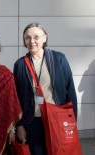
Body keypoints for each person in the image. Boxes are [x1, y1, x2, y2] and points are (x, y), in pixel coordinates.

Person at [13, 22, 77, 155]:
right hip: (32, 120)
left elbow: (70, 90)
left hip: (57, 118)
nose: (32, 41)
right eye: (27, 37)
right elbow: (16, 98)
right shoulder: (20, 64)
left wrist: (72, 119)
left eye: (36, 37)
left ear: (45, 38)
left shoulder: (59, 59)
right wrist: (19, 125)